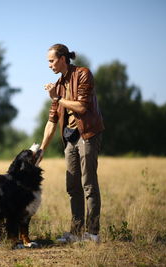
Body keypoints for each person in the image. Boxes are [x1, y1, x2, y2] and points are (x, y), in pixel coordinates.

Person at [39, 44, 104, 243]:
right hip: (70, 139)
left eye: (51, 61)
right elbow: (51, 121)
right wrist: (41, 150)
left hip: (87, 135)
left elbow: (82, 107)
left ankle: (92, 234)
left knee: (88, 184)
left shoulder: (83, 74)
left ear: (63, 59)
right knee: (72, 187)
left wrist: (57, 98)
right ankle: (76, 233)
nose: (49, 65)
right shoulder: (58, 84)